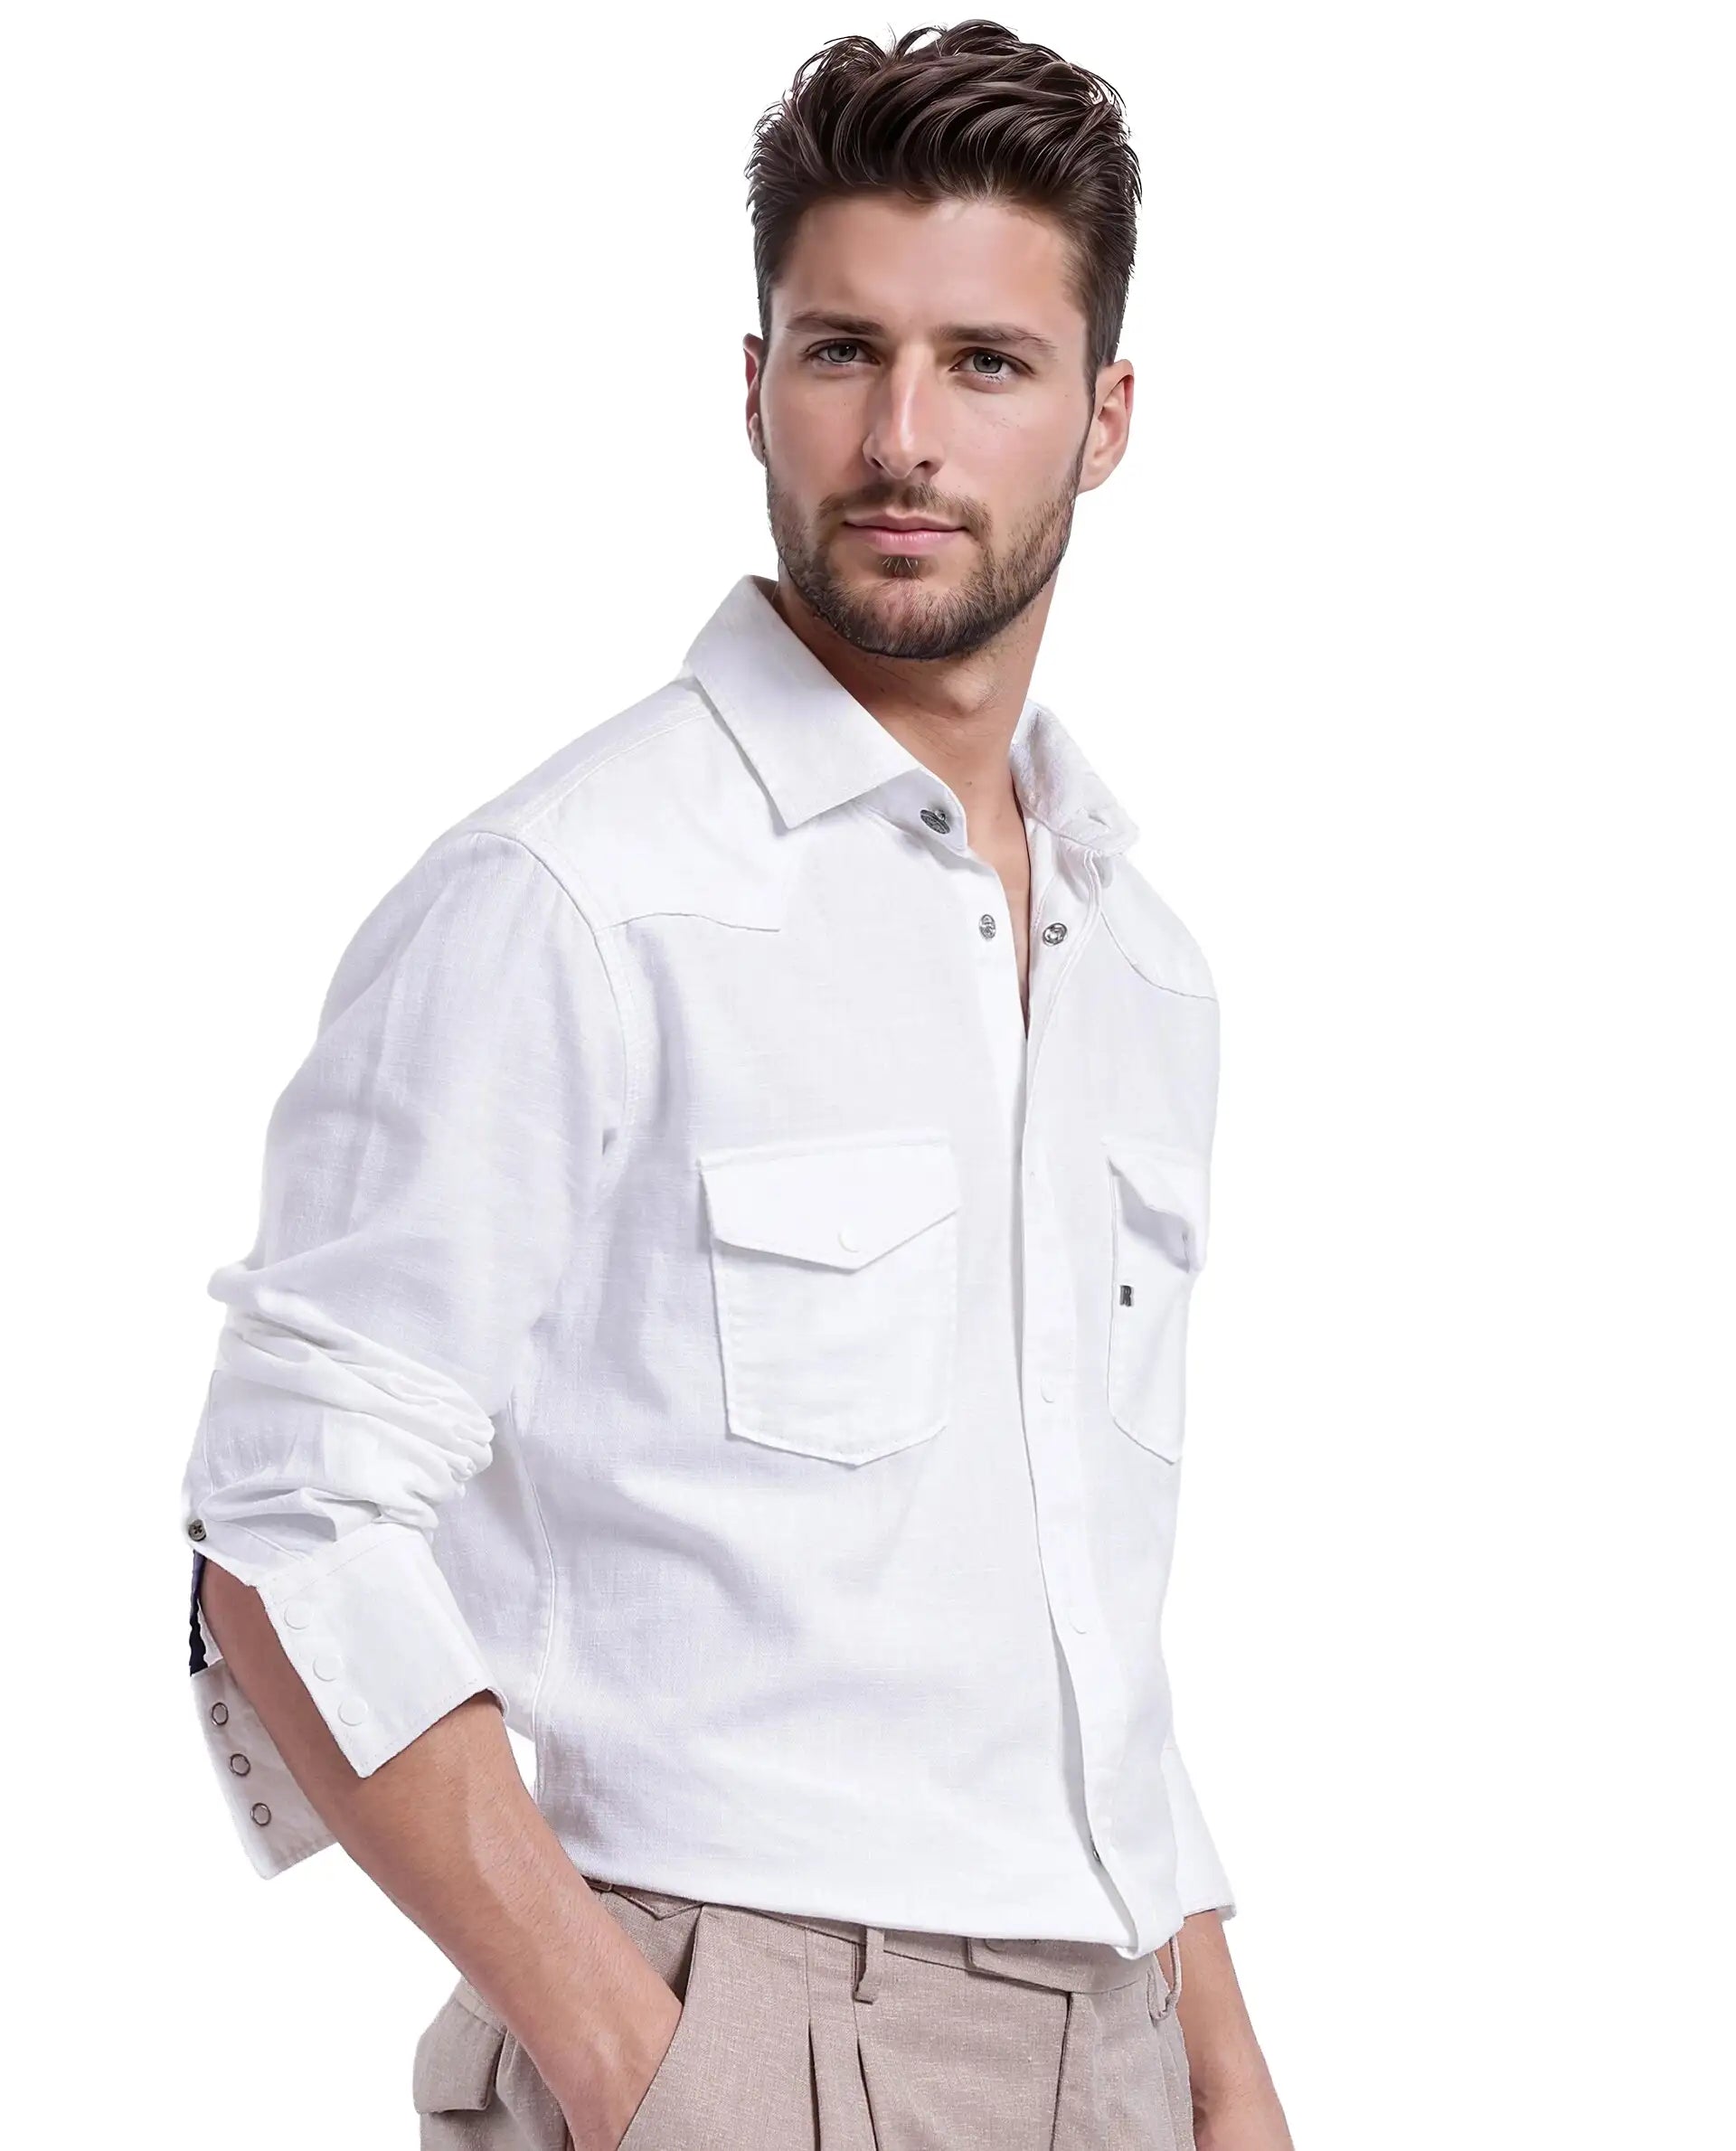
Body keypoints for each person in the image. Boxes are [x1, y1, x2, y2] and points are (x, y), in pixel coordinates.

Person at [178, 20, 1293, 2150]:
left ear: (1105, 416)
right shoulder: (575, 894)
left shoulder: (1143, 960)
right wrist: (644, 2065)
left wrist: (1227, 2069)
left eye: (987, 362)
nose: (903, 436)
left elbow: (1070, 1604)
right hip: (743, 2019)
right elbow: (288, 1518)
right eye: (843, 350)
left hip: (1127, 2046)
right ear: (755, 380)